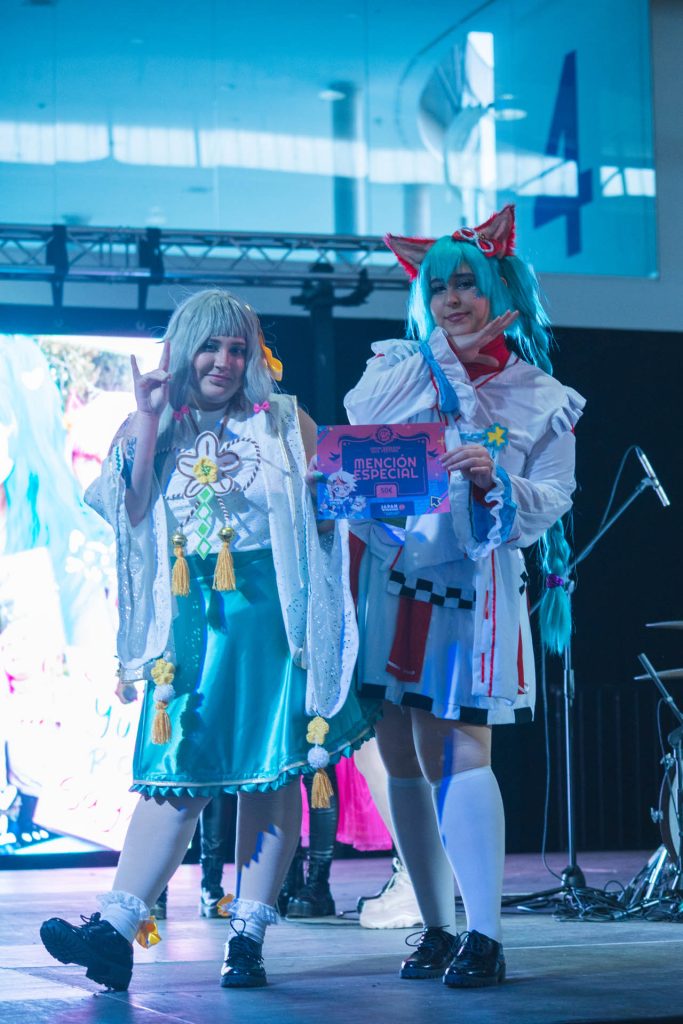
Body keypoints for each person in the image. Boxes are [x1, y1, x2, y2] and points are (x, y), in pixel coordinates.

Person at [40, 289, 373, 991]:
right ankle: (116, 929)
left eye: (237, 348)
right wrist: (150, 417)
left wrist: (331, 496)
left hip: (273, 621)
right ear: (183, 349)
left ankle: (247, 936)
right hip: (189, 621)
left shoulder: (283, 420)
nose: (223, 361)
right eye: (211, 346)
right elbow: (129, 511)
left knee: (272, 774)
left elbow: (328, 513)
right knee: (173, 771)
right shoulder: (151, 422)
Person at [344, 205, 584, 987]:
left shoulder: (540, 395)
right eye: (439, 287)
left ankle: (485, 935)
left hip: (471, 589)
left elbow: (553, 497)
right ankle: (436, 926)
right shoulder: (398, 368)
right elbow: (360, 424)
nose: (452, 299)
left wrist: (494, 480)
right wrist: (444, 363)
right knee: (401, 757)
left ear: (498, 290)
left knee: (459, 751)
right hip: (390, 579)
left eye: (468, 285)